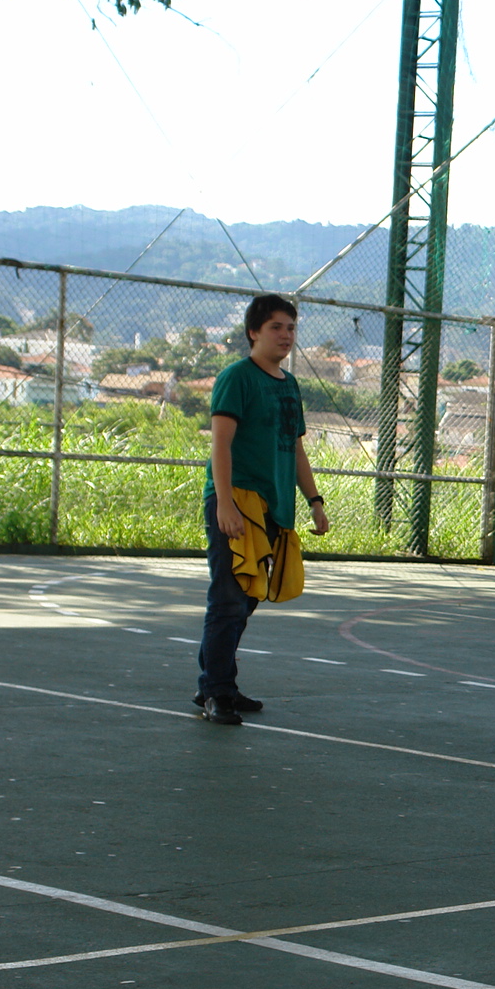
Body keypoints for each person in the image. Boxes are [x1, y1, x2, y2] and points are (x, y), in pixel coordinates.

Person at [195, 294, 330, 725]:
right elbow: (220, 444)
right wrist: (226, 504)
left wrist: (315, 502)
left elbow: (295, 449)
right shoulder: (237, 378)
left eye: (291, 327)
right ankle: (215, 691)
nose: (286, 335)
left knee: (248, 597)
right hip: (237, 501)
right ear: (254, 332)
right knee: (229, 598)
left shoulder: (288, 385)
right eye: (276, 327)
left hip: (275, 507)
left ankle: (220, 685)